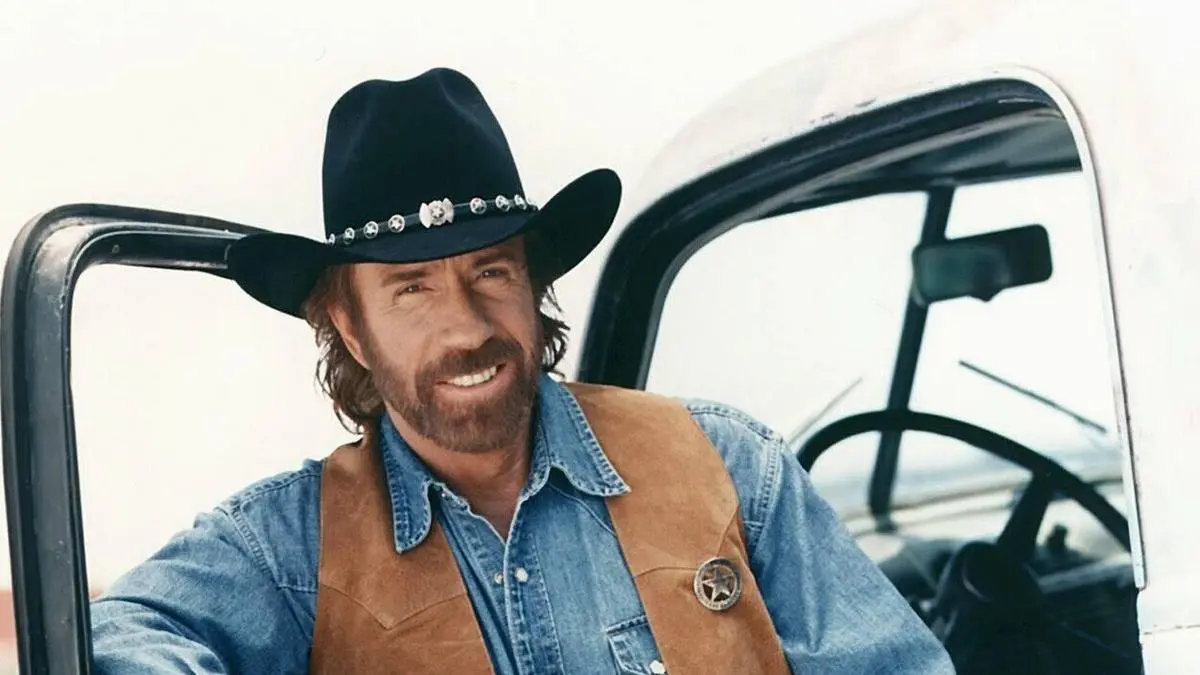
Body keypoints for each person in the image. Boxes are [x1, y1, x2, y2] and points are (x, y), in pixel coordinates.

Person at [89, 67, 954, 674]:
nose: (466, 326)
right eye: (411, 289)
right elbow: (114, 635)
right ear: (348, 326)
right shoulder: (286, 547)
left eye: (491, 271)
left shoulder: (730, 467)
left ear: (534, 285)